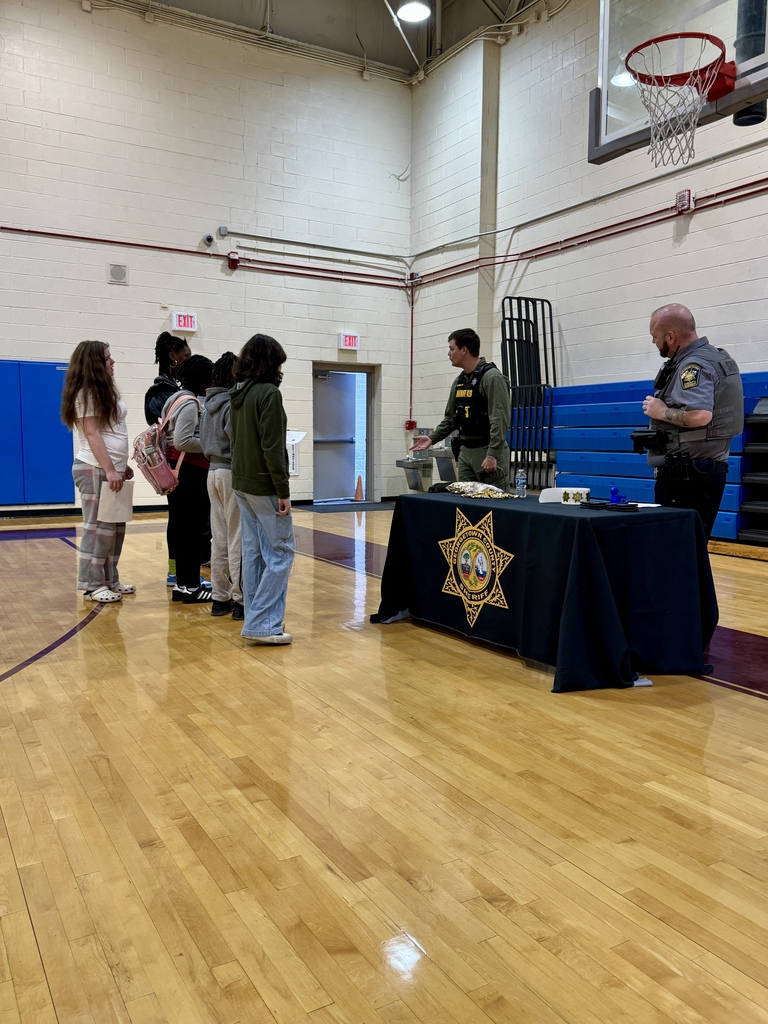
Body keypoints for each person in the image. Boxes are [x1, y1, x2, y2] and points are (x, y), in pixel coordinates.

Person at [640, 303, 743, 540]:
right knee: (690, 547)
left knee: (675, 546)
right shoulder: (716, 357)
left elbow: (700, 415)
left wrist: (661, 412)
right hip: (702, 470)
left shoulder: (692, 366)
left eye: (654, 337)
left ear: (671, 336)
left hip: (688, 474)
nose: (654, 343)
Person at [230, 334, 294, 645]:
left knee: (254, 553)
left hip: (241, 482)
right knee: (281, 553)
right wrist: (283, 489)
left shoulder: (238, 393)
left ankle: (255, 618)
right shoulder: (268, 394)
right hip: (263, 484)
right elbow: (272, 447)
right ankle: (263, 624)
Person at [60, 340, 136, 603]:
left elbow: (111, 431)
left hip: (109, 469)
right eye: (107, 358)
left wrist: (119, 466)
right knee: (97, 529)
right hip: (93, 468)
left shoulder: (104, 391)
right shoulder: (86, 393)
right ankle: (92, 584)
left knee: (115, 529)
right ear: (94, 363)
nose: (112, 362)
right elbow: (92, 433)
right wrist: (109, 468)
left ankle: (109, 580)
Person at [410, 328, 511, 490]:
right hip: (465, 452)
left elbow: (499, 419)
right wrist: (432, 438)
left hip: (487, 451)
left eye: (451, 349)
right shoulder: (459, 381)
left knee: (493, 504)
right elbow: (451, 418)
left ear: (464, 350)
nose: (448, 354)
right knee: (465, 504)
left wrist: (492, 454)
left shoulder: (492, 378)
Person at [161, 354, 215, 604]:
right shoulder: (190, 402)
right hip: (190, 472)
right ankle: (192, 585)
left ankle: (183, 584)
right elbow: (183, 441)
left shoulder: (173, 398)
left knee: (182, 529)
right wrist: (211, 445)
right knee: (193, 531)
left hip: (175, 470)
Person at [200, 352, 243, 620]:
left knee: (219, 537)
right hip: (229, 472)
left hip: (211, 472)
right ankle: (240, 600)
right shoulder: (232, 405)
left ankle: (219, 598)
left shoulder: (207, 405)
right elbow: (238, 443)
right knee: (237, 537)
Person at [144, 331, 191, 425]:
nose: (190, 361)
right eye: (187, 356)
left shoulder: (170, 388)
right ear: (173, 356)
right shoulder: (161, 391)